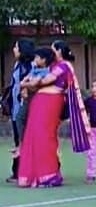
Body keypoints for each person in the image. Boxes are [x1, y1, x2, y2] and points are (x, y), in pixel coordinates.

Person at [16, 47, 86, 187]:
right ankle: (31, 175)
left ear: (59, 51)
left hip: (51, 102)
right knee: (33, 135)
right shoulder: (50, 67)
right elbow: (35, 85)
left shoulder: (63, 66)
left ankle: (48, 174)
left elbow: (44, 81)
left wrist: (25, 84)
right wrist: (28, 84)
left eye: (54, 48)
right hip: (40, 102)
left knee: (45, 136)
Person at [6, 38, 34, 184]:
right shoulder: (18, 65)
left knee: (26, 139)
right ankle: (17, 171)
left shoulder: (30, 66)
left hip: (25, 109)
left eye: (16, 47)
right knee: (18, 140)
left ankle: (28, 170)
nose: (14, 49)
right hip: (16, 108)